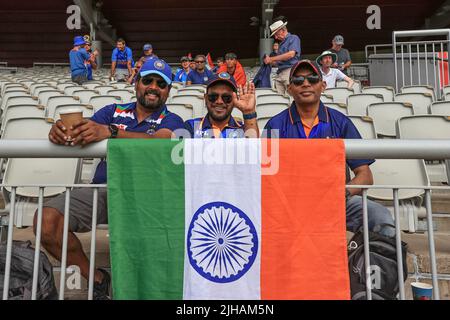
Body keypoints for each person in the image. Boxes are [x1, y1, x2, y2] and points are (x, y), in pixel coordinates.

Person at [36, 58, 185, 300]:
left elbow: (162, 141)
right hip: (104, 189)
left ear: (168, 90)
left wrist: (113, 132)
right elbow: (84, 129)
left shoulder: (173, 119)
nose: (154, 87)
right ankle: (97, 279)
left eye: (161, 83)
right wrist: (62, 131)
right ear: (136, 83)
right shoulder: (112, 111)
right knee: (46, 222)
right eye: (148, 80)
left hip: (148, 198)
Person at [263, 60, 395, 237]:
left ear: (323, 85)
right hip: (290, 203)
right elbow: (265, 176)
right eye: (298, 80)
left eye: (312, 78)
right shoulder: (275, 124)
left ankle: (375, 264)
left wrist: (341, 193)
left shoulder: (341, 122)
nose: (306, 84)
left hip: (335, 200)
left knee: (380, 216)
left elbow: (365, 175)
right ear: (290, 89)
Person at [184, 73, 258, 138]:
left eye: (226, 98)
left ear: (234, 100)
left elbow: (253, 149)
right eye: (213, 97)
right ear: (205, 98)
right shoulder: (191, 126)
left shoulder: (243, 129)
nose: (219, 101)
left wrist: (249, 112)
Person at [263, 18, 301, 95]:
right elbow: (280, 61)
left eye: (276, 34)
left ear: (282, 30)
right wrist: (270, 62)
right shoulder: (281, 44)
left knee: (291, 98)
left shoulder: (293, 38)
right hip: (280, 73)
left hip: (290, 71)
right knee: (280, 100)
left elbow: (291, 54)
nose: (276, 38)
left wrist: (271, 59)